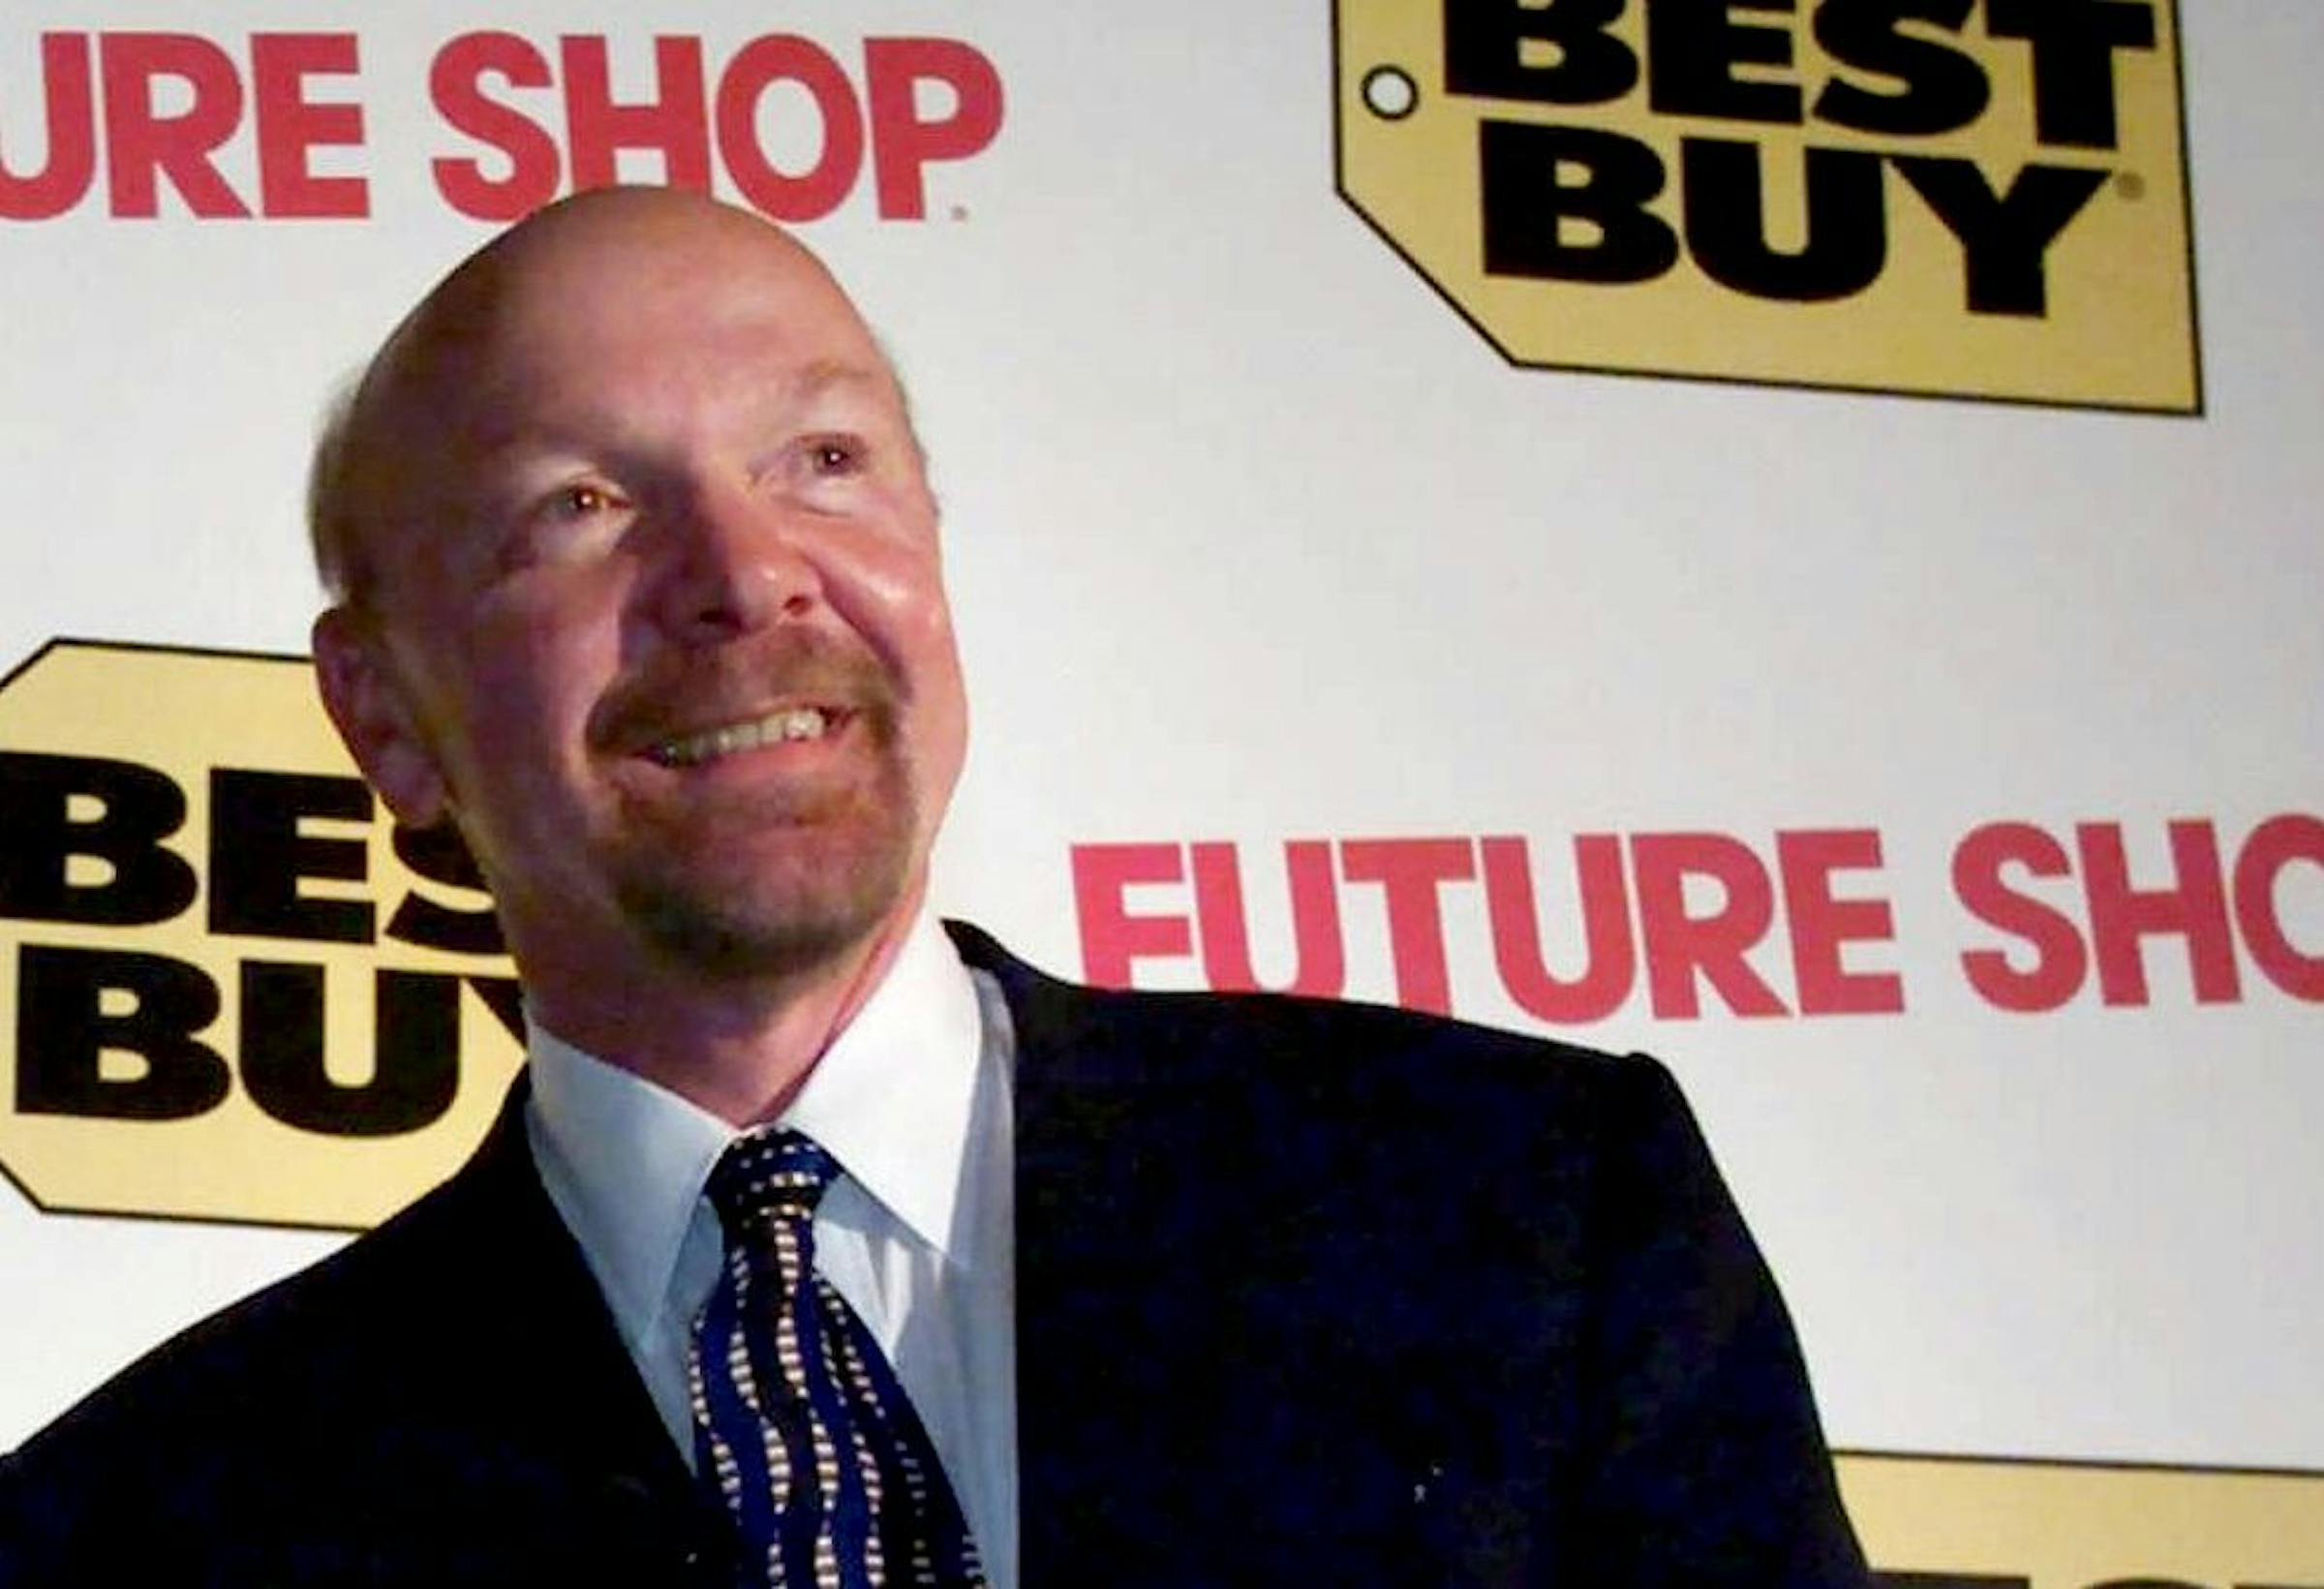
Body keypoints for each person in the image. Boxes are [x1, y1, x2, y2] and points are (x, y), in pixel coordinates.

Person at [0, 187, 1870, 1585]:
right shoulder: (136, 1527)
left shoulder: (1524, 1214)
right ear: (387, 717)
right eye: (579, 505)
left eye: (823, 460)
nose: (747, 572)